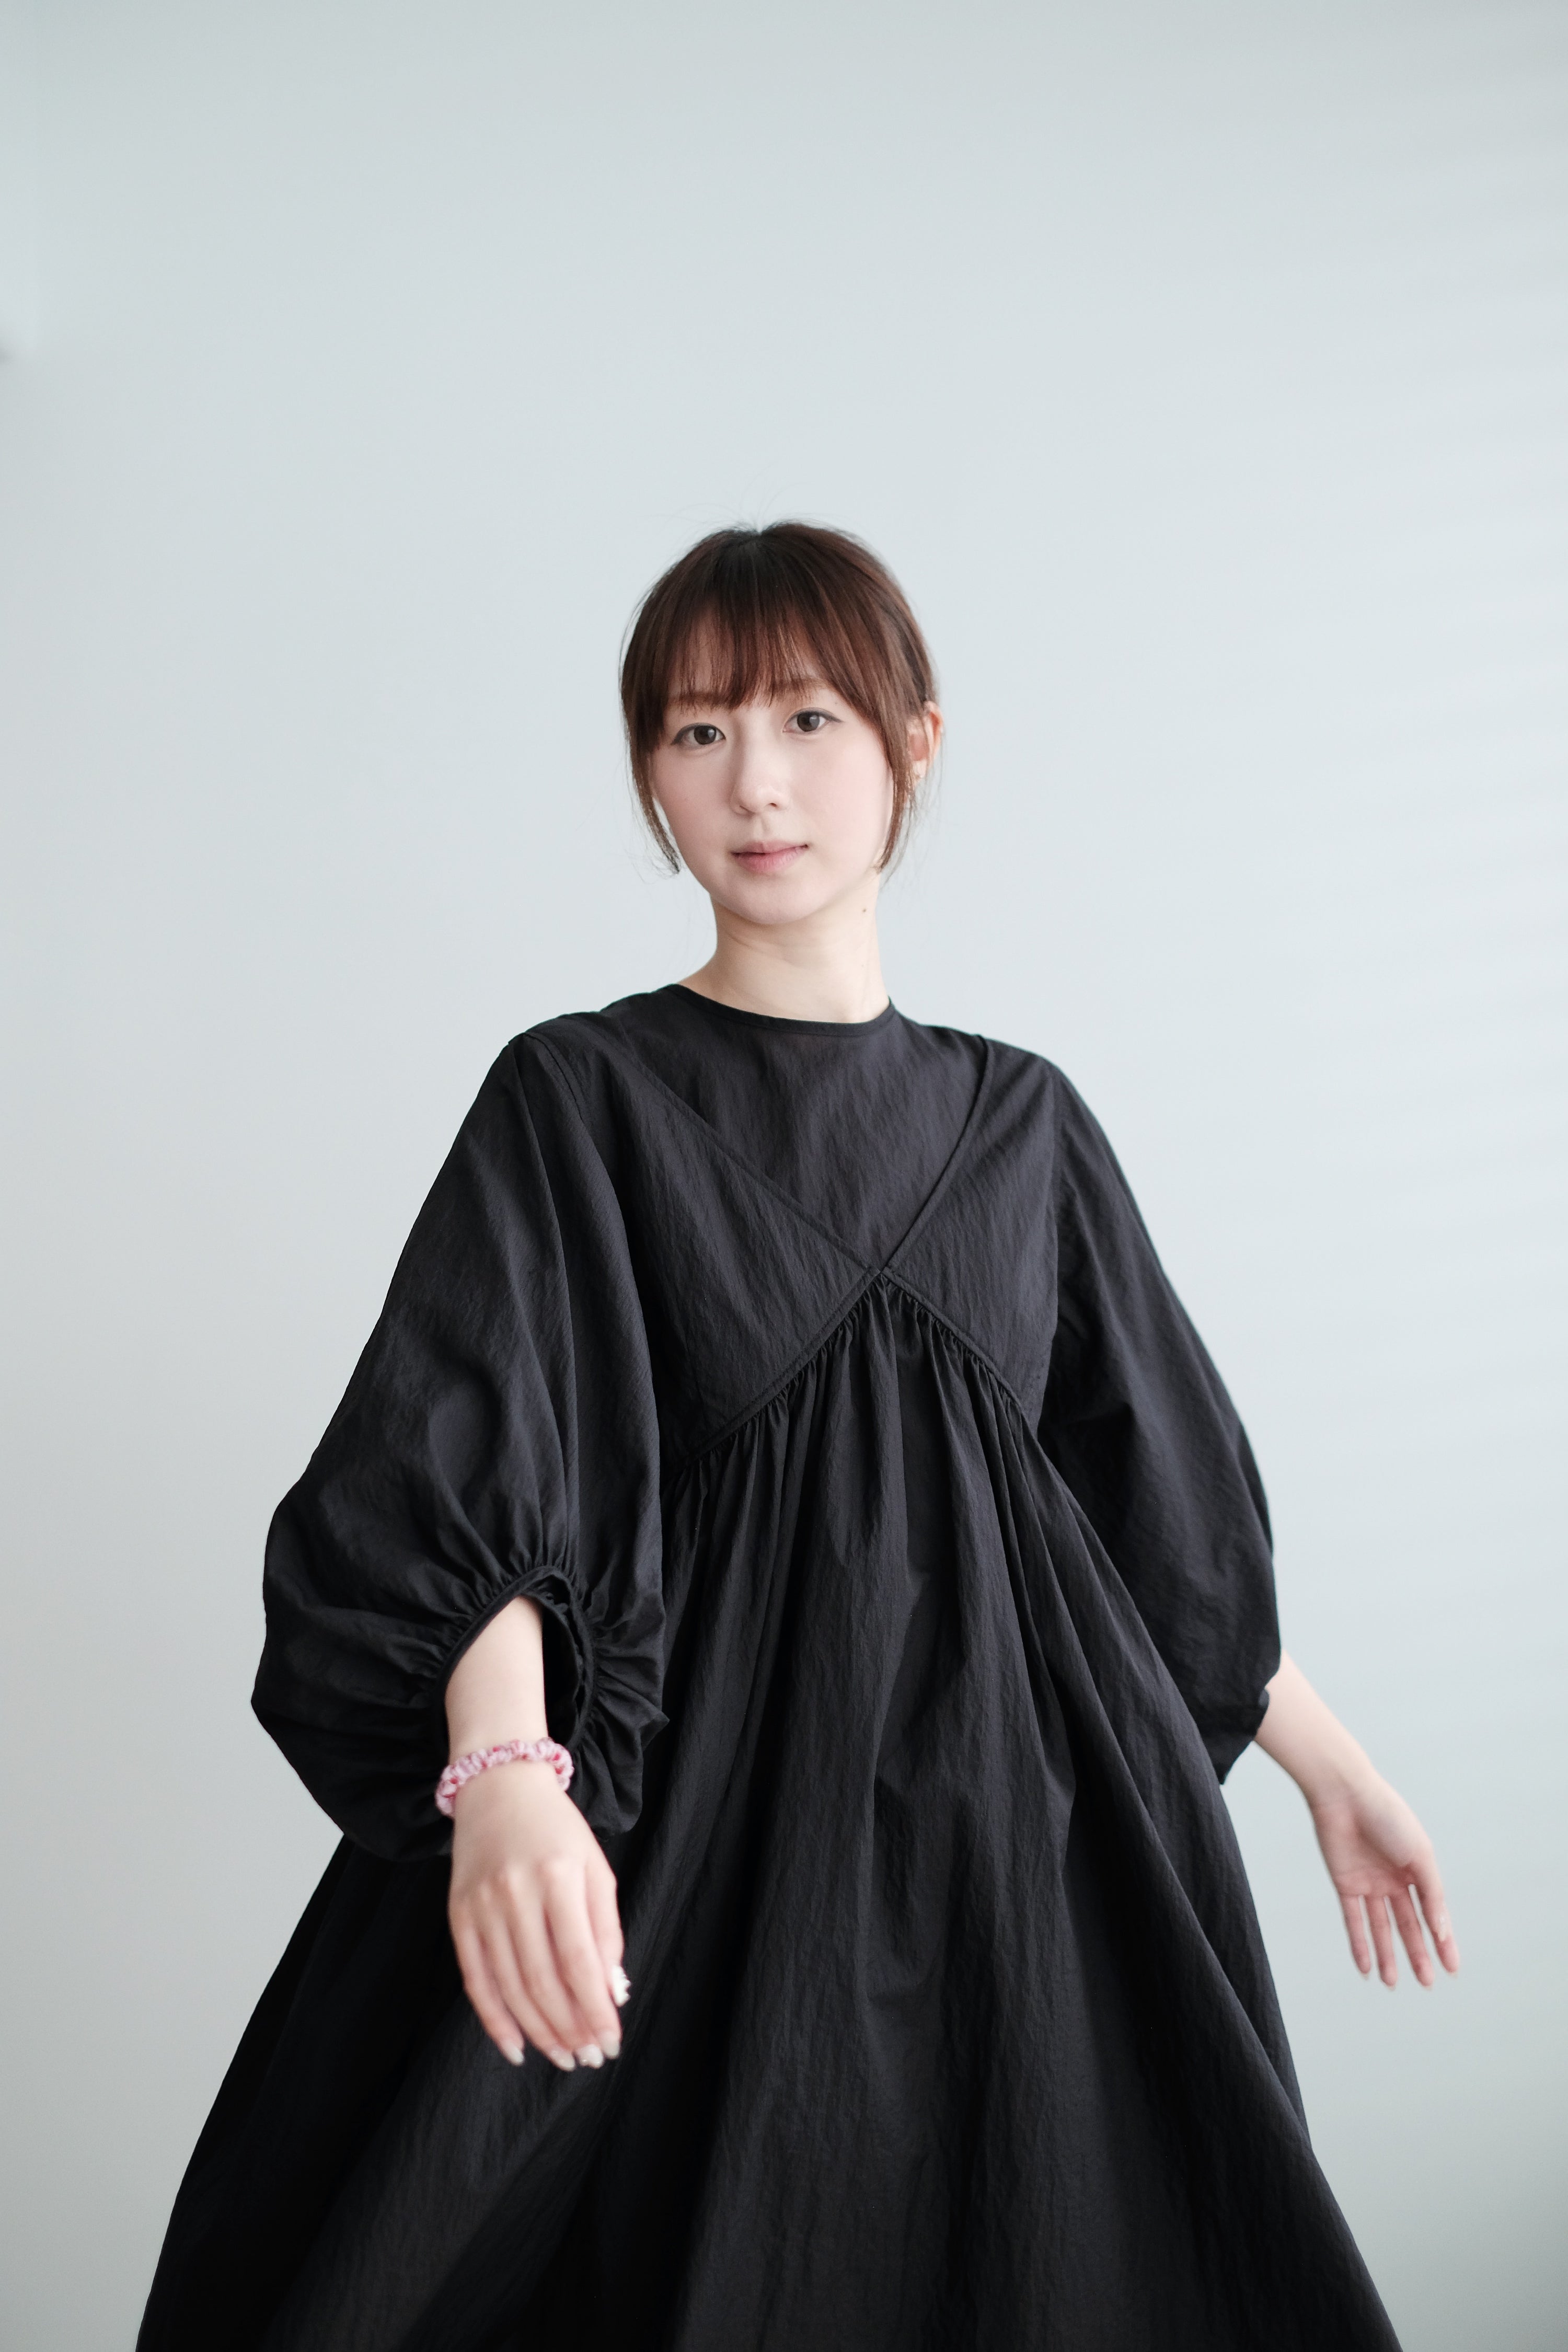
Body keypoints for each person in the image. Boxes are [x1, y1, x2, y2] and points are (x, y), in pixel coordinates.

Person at [138, 522, 1458, 2352]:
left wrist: (1331, 1767)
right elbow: (470, 1453)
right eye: (698, 732)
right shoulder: (582, 1095)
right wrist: (505, 1778)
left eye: (808, 718)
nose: (754, 781)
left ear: (916, 743)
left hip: (1015, 1887)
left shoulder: (1027, 1127)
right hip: (682, 1870)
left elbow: (1146, 1532)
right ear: (649, 775)